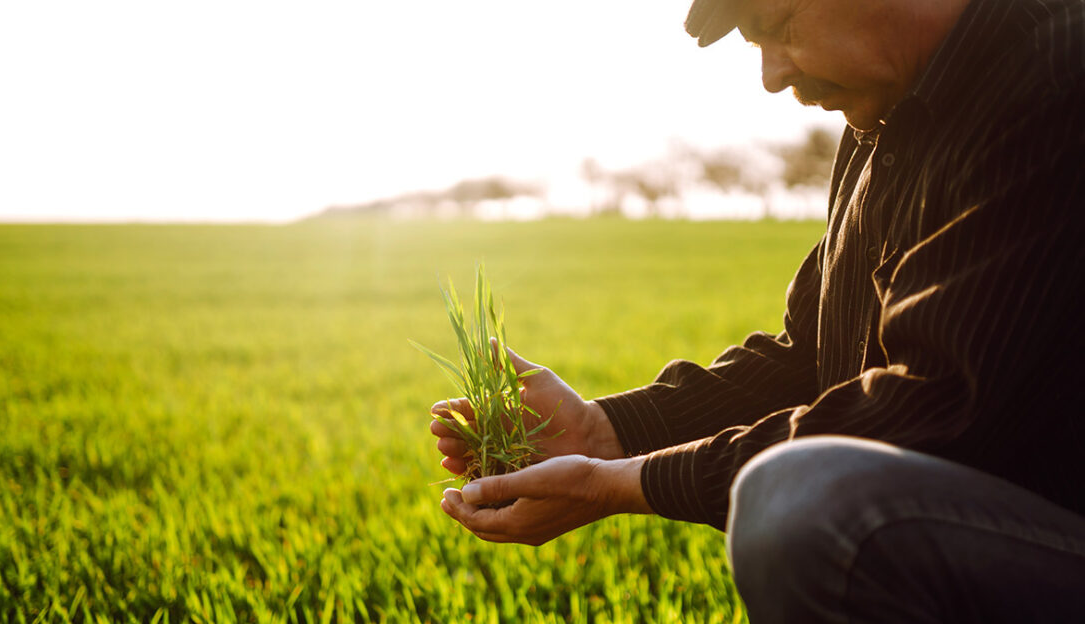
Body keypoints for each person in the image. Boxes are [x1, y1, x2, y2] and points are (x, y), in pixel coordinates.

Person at [431, 0, 1085, 620]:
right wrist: (604, 431)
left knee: (811, 506)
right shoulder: (882, 121)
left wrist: (625, 483)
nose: (771, 76)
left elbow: (940, 406)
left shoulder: (1057, 74)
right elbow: (812, 357)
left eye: (779, 25)